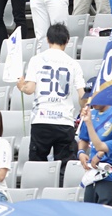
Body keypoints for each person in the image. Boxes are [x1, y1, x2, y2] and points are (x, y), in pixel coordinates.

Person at [17, 23, 85, 179]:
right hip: (64, 121)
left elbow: (30, 89)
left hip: (41, 119)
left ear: (47, 39)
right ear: (67, 41)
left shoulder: (36, 60)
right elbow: (82, 96)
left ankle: (38, 192)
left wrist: (21, 86)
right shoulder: (73, 64)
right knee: (65, 167)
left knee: (37, 166)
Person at [78, 77, 112, 205]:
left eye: (94, 96)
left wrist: (102, 152)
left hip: (111, 175)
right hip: (92, 174)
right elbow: (83, 139)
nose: (91, 101)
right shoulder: (91, 114)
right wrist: (81, 152)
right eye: (89, 97)